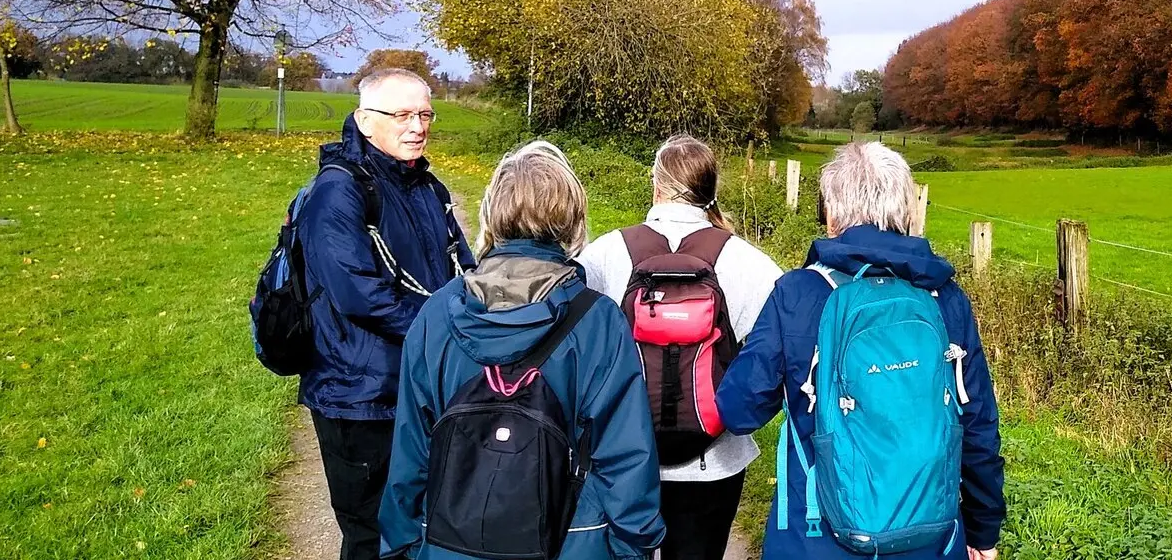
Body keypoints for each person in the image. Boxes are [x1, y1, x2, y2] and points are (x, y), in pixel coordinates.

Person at [716, 142, 1005, 560]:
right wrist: (984, 530)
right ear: (906, 212)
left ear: (831, 213)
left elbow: (740, 410)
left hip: (814, 538)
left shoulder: (797, 294)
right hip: (932, 538)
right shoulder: (945, 298)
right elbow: (977, 424)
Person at [381, 140, 667, 559]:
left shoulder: (437, 312)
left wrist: (400, 542)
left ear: (491, 214)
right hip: (573, 537)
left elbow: (411, 444)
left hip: (450, 537)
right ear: (573, 219)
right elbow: (625, 452)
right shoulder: (599, 321)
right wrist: (634, 546)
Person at [577, 135, 783, 560]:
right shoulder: (749, 263)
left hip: (621, 456)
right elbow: (775, 356)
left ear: (656, 185)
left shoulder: (606, 254)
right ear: (711, 192)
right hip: (715, 461)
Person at [299, 68, 472, 560]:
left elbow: (462, 268)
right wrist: (439, 332)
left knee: (421, 520)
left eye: (424, 114)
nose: (417, 126)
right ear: (365, 120)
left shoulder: (425, 186)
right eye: (401, 115)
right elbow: (360, 295)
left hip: (418, 387)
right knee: (370, 534)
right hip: (358, 394)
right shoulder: (340, 190)